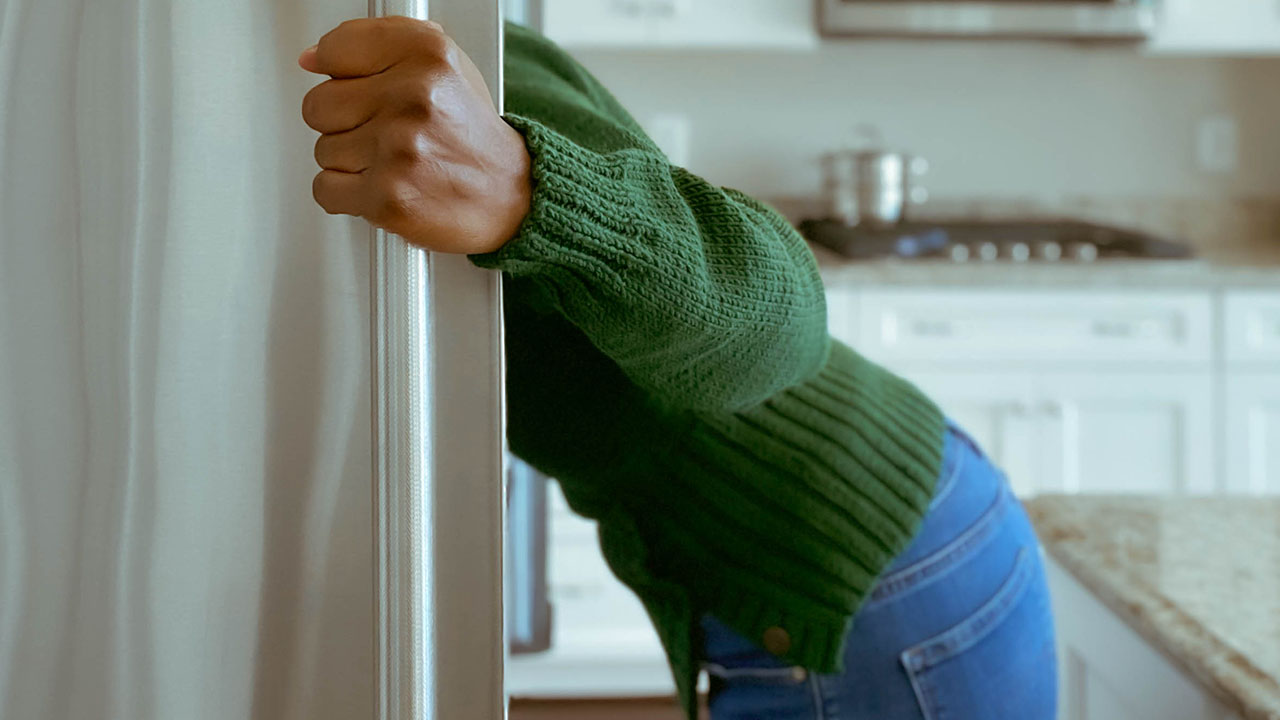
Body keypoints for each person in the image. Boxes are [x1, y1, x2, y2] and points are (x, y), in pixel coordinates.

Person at [298, 17, 1057, 720]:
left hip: (878, 570)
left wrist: (533, 193)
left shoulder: (458, 59)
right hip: (854, 551)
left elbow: (785, 324)